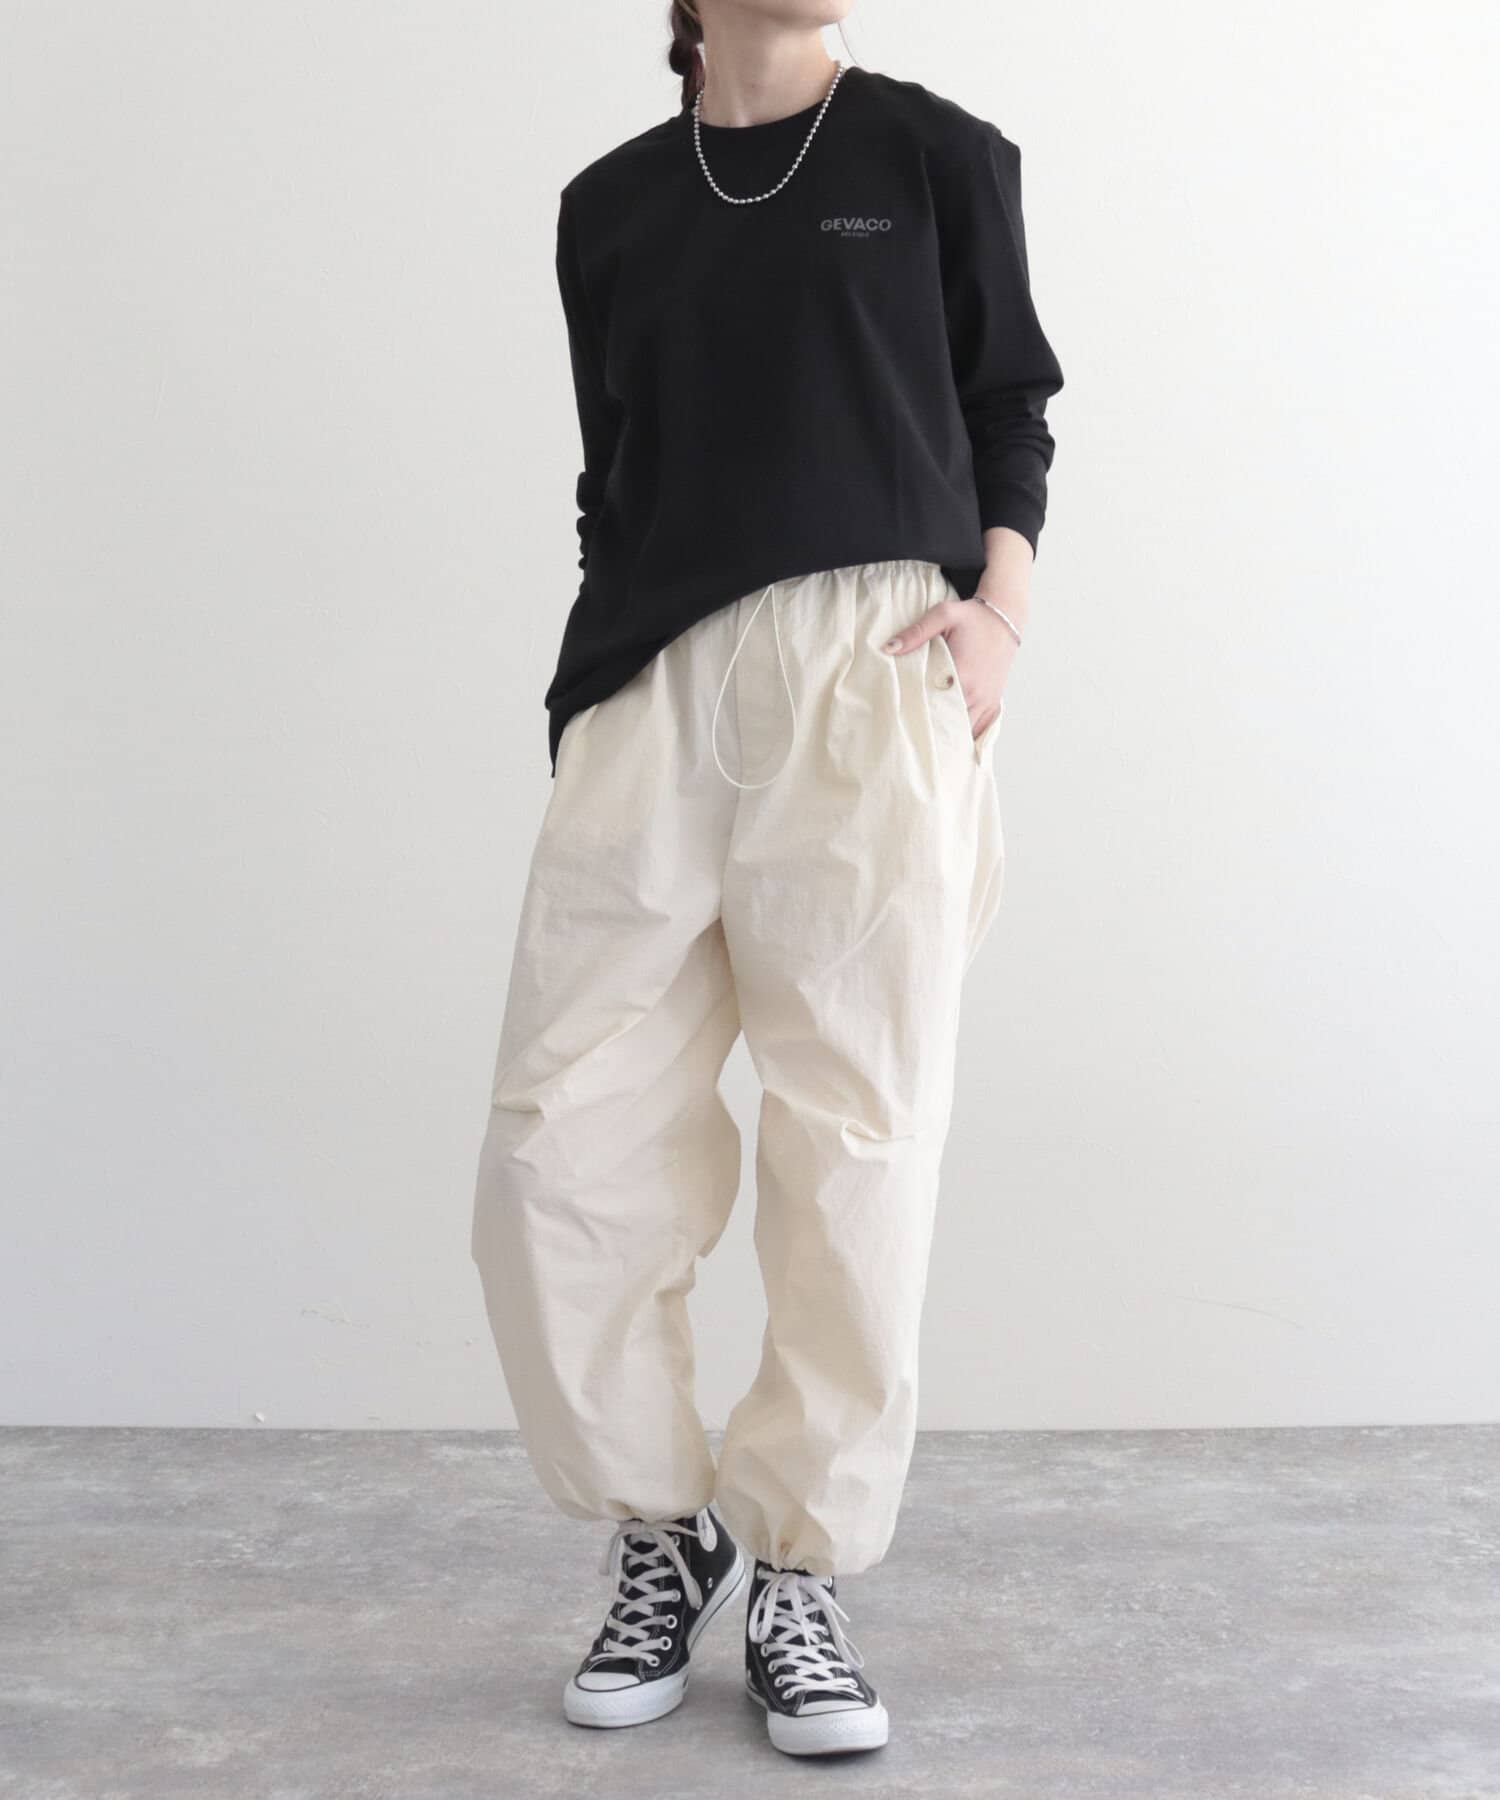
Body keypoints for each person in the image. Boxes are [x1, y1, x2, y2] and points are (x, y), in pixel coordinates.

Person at [471, 0, 1062, 1759]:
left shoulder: (937, 156)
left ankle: (802, 1564)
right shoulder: (609, 207)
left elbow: (1010, 405)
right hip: (653, 693)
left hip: (876, 671)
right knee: (557, 1143)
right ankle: (667, 1530)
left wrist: (1000, 618)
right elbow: (614, 478)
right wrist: (601, 706)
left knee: (857, 1138)